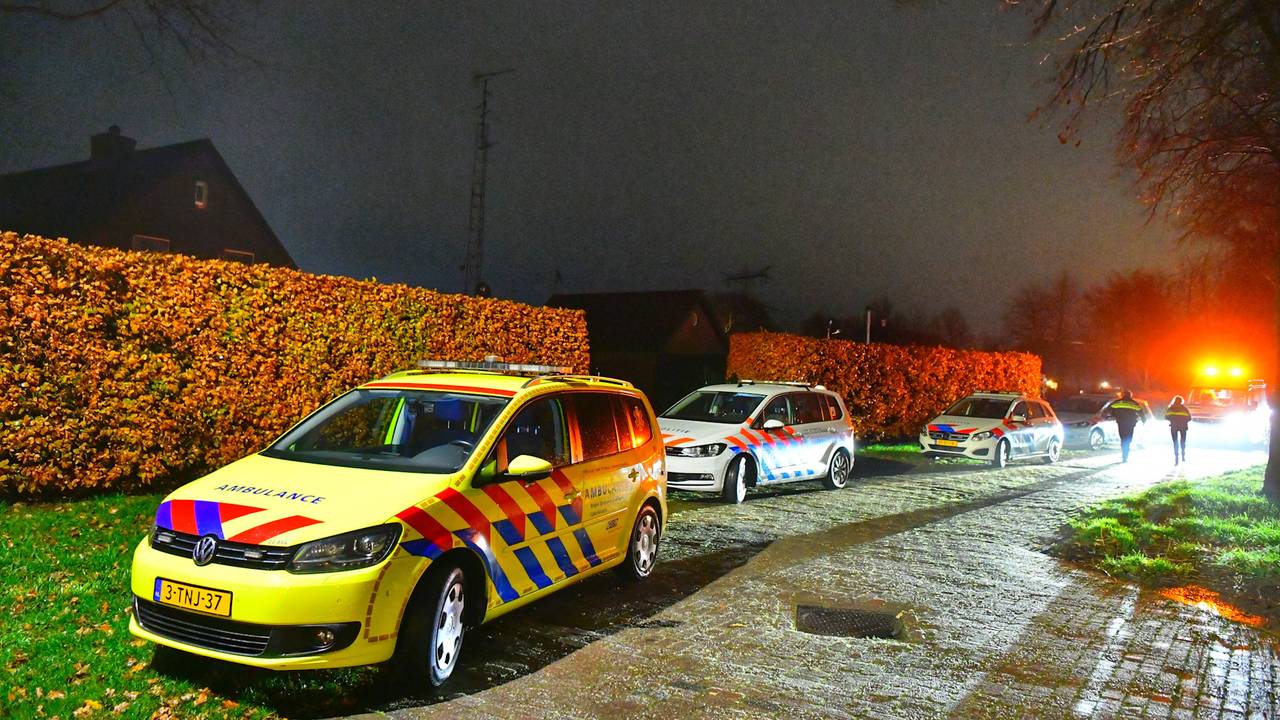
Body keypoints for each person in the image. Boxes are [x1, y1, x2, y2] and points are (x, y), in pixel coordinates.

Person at [1110, 391, 1143, 463]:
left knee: (1123, 438)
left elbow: (1111, 410)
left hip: (1121, 423)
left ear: (1123, 395)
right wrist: (1144, 420)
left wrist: (1114, 416)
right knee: (1128, 439)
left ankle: (1124, 453)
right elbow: (1141, 412)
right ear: (1130, 395)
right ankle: (1125, 455)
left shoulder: (1117, 402)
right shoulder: (1134, 403)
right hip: (1130, 424)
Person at [1166, 395, 1191, 464]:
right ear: (1181, 401)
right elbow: (1189, 418)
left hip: (1174, 427)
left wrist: (1172, 420)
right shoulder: (1184, 409)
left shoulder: (1170, 408)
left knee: (1175, 442)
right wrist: (1183, 421)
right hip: (1183, 427)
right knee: (1183, 441)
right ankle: (1183, 455)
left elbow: (1166, 417)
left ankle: (1176, 457)